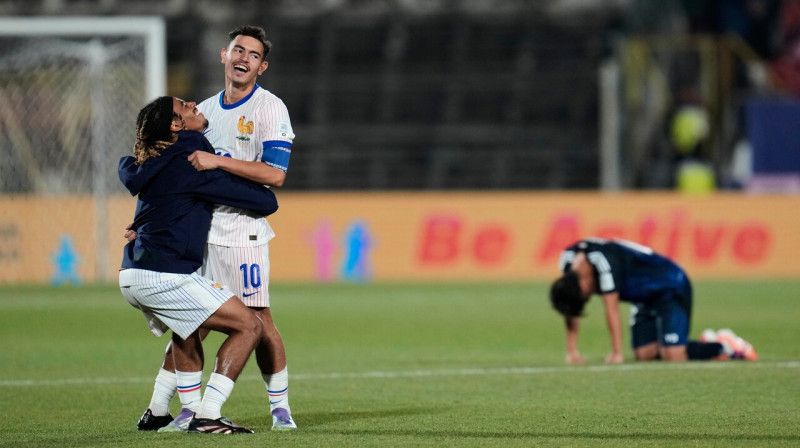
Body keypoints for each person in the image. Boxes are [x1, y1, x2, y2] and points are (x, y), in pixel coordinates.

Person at [136, 24, 298, 432]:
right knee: (190, 322)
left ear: (262, 67)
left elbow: (275, 175)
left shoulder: (269, 109)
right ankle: (168, 407)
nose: (245, 58)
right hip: (198, 233)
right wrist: (143, 222)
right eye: (238, 50)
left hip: (242, 233)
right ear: (224, 56)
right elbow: (171, 173)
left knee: (259, 321)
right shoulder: (203, 111)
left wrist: (218, 161)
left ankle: (280, 409)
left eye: (254, 55)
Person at [119, 96, 280, 433]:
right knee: (250, 326)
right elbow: (265, 201)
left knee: (188, 328)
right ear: (175, 125)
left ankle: (162, 411)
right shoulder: (190, 159)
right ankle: (208, 414)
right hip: (162, 274)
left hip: (133, 271)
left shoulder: (153, 162)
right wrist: (219, 163)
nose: (192, 102)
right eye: (183, 105)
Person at [549, 237, 758, 363]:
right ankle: (698, 343)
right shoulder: (569, 262)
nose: (589, 297)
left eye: (586, 298)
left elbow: (611, 307)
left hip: (669, 285)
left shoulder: (604, 263)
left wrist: (616, 353)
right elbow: (571, 306)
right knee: (644, 354)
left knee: (674, 355)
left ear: (585, 285)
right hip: (643, 297)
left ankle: (725, 345)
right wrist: (572, 352)